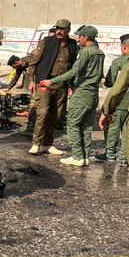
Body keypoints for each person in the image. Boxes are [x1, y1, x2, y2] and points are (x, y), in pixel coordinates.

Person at [41, 25, 105, 167]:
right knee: (87, 126)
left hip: (82, 92)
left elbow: (73, 71)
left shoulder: (85, 52)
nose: (79, 38)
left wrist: (51, 81)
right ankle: (85, 157)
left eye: (80, 36)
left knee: (73, 124)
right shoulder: (100, 53)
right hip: (93, 93)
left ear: (86, 37)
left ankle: (77, 156)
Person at [26, 19, 78, 155]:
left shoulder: (72, 45)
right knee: (42, 114)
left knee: (56, 116)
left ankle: (47, 144)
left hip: (61, 85)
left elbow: (72, 66)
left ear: (68, 30)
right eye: (57, 28)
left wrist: (71, 84)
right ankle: (36, 143)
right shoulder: (46, 42)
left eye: (62, 29)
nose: (59, 31)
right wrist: (31, 80)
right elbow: (33, 63)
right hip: (44, 83)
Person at [96, 35, 129, 166]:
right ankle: (125, 158)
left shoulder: (118, 62)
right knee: (128, 131)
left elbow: (110, 83)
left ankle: (110, 155)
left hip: (119, 102)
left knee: (112, 129)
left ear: (123, 46)